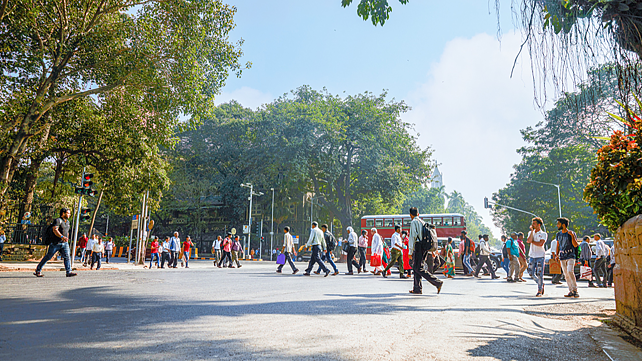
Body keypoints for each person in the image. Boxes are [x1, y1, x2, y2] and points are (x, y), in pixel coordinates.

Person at [408, 207, 443, 295]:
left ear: (411, 215)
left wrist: (410, 251)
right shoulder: (422, 222)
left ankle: (437, 282)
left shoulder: (414, 222)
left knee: (417, 268)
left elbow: (413, 237)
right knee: (417, 267)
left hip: (418, 246)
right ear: (418, 214)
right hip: (424, 247)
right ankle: (417, 289)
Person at [34, 208, 76, 277]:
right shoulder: (58, 220)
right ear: (63, 213)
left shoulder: (67, 222)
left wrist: (66, 237)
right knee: (48, 256)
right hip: (55, 243)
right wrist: (62, 236)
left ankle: (69, 272)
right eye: (68, 213)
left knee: (67, 256)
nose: (69, 214)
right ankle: (38, 270)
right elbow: (55, 230)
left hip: (64, 243)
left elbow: (66, 231)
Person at [556, 217, 579, 298]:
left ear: (563, 224)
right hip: (562, 256)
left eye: (558, 224)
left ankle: (575, 290)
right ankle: (571, 291)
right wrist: (556, 254)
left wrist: (572, 236)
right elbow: (558, 245)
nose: (557, 225)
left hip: (571, 255)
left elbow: (575, 245)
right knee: (566, 274)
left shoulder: (571, 233)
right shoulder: (558, 234)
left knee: (570, 271)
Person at [526, 217, 547, 297]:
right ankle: (540, 283)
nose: (532, 225)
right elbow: (528, 240)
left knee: (540, 273)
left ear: (539, 224)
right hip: (532, 255)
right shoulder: (530, 232)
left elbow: (540, 244)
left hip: (540, 256)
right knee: (530, 272)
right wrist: (532, 232)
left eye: (534, 223)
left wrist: (532, 241)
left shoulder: (543, 234)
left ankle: (539, 290)